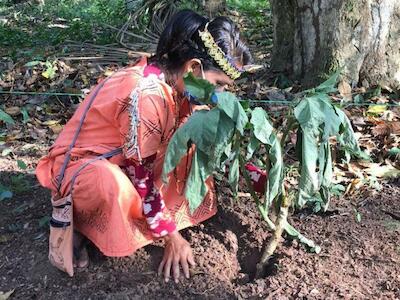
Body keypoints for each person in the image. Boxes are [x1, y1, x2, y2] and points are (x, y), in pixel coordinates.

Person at [36, 9, 266, 283]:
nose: (221, 95)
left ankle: (143, 221)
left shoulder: (175, 85)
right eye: (218, 84)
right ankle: (82, 225)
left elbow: (210, 145)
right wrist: (172, 238)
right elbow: (139, 175)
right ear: (194, 68)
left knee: (190, 143)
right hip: (84, 170)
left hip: (130, 162)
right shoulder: (145, 94)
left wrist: (256, 173)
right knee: (110, 184)